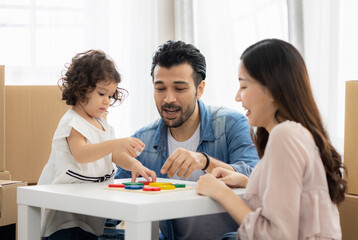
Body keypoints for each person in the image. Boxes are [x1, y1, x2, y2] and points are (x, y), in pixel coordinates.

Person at [196, 39, 347, 240]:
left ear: (273, 89)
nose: (237, 97)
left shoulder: (285, 136)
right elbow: (294, 199)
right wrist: (246, 182)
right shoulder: (297, 134)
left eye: (243, 86)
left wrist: (221, 194)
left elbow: (277, 235)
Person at [115, 40, 259, 240]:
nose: (168, 99)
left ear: (200, 89)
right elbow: (112, 205)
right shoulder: (141, 140)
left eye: (179, 89)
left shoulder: (231, 124)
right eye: (160, 88)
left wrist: (204, 161)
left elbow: (255, 179)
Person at [38, 49, 157, 240]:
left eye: (110, 96)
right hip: (64, 209)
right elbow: (81, 154)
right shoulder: (73, 122)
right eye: (102, 93)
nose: (107, 101)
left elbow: (113, 156)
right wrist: (114, 144)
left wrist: (135, 165)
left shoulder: (102, 124)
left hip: (89, 204)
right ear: (80, 89)